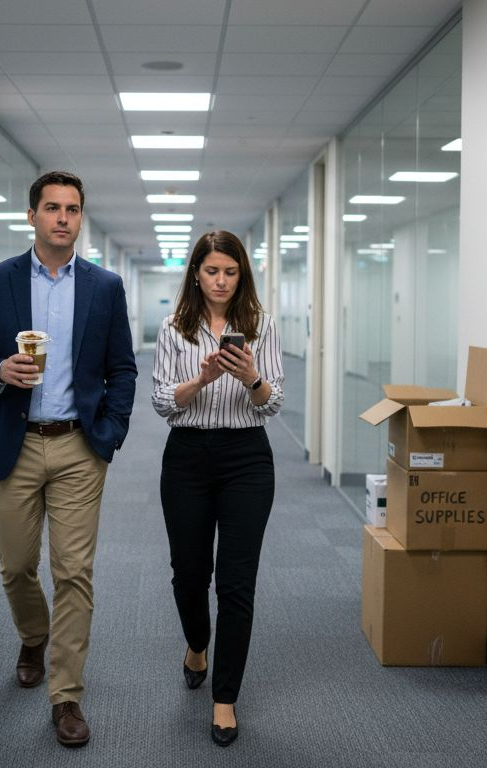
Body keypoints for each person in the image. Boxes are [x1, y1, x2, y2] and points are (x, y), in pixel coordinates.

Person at [0, 170, 137, 748]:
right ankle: (33, 634)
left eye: (73, 209)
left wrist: (110, 431)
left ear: (80, 219)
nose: (63, 218)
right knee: (15, 563)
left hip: (80, 447)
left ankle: (66, 695)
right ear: (32, 216)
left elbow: (123, 369)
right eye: (52, 208)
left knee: (74, 573)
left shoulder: (104, 287)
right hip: (16, 442)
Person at [150, 230, 283, 747]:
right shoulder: (173, 328)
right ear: (196, 275)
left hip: (247, 459)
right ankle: (196, 644)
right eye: (212, 271)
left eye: (230, 271)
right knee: (188, 573)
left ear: (241, 274)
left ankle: (224, 697)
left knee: (235, 582)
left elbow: (272, 405)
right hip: (186, 457)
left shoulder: (261, 327)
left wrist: (251, 376)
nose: (221, 281)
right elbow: (163, 403)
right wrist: (202, 380)